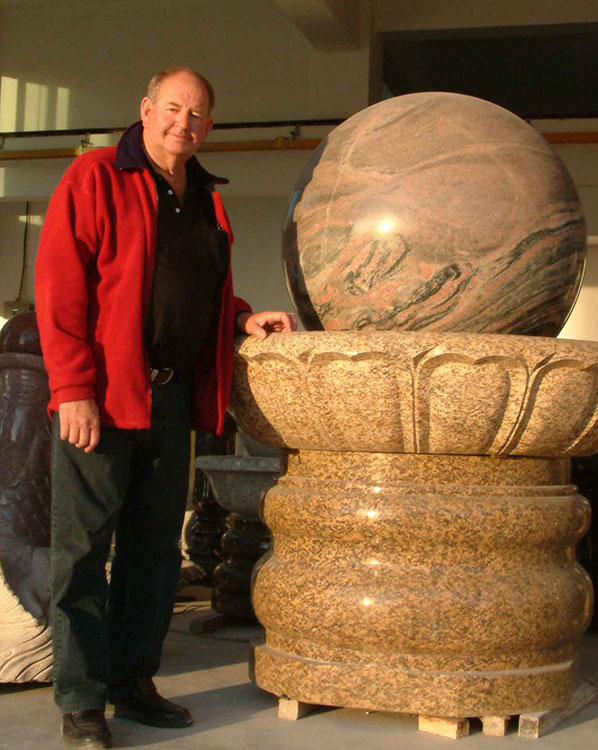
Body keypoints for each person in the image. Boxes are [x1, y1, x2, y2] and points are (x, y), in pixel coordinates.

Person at [35, 67, 296, 749]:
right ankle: (83, 700)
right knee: (84, 552)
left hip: (171, 395)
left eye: (199, 114)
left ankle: (132, 682)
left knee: (153, 551)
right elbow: (61, 292)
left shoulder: (204, 196)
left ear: (209, 126)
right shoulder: (95, 177)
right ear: (145, 110)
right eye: (173, 109)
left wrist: (242, 319)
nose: (185, 123)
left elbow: (194, 289)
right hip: (104, 393)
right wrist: (73, 391)